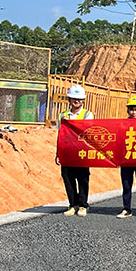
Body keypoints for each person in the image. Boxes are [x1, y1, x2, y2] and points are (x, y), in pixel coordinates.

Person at [56, 84, 93, 216]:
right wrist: (58, 153)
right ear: (69, 99)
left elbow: (87, 132)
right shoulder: (63, 115)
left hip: (82, 151)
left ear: (83, 100)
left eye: (79, 99)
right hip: (67, 151)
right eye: (73, 98)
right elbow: (60, 135)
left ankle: (83, 205)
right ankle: (72, 204)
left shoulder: (88, 115)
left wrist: (70, 124)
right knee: (68, 178)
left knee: (83, 178)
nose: (76, 101)